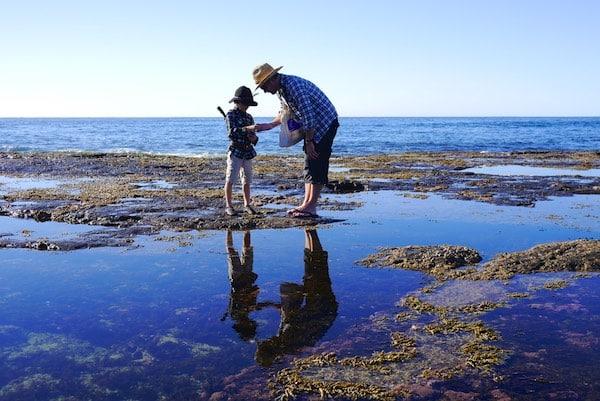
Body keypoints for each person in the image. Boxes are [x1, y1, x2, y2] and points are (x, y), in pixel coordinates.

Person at [252, 63, 339, 218]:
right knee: (309, 163)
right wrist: (269, 125)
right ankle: (306, 203)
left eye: (264, 86)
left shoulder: (294, 87)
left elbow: (310, 117)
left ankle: (311, 207)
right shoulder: (281, 90)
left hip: (325, 123)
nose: (264, 91)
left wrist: (309, 141)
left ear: (272, 79)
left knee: (317, 161)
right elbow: (285, 113)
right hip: (312, 125)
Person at [255, 229, 338, 366]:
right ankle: (311, 230)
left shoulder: (282, 341)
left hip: (319, 310)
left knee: (311, 270)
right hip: (324, 307)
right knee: (318, 268)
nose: (267, 339)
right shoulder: (289, 338)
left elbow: (286, 313)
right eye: (265, 343)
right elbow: (291, 314)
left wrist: (269, 304)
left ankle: (309, 229)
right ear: (270, 346)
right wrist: (305, 291)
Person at [223, 86, 277, 216]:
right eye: (244, 103)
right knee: (230, 179)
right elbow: (232, 133)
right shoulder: (231, 114)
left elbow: (254, 139)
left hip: (247, 152)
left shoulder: (249, 117)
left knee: (247, 180)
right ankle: (228, 206)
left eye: (248, 104)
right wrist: (248, 129)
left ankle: (247, 204)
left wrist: (253, 137)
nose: (246, 106)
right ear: (238, 102)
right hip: (235, 151)